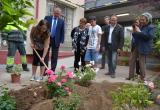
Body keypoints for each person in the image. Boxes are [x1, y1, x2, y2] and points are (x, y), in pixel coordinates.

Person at [126, 12, 155, 81]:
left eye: (143, 20)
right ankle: (131, 76)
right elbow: (137, 36)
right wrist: (134, 32)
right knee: (131, 60)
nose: (141, 21)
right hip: (137, 46)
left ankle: (142, 78)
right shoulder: (141, 26)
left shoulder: (151, 27)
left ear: (148, 20)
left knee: (141, 63)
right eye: (141, 19)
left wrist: (140, 32)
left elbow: (148, 37)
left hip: (144, 47)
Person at [44, 7, 65, 71]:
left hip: (56, 40)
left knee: (54, 56)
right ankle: (45, 70)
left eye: (58, 14)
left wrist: (61, 41)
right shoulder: (47, 18)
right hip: (47, 39)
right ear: (53, 12)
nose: (57, 15)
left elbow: (62, 31)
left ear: (60, 14)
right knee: (46, 54)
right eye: (56, 13)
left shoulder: (61, 21)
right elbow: (43, 27)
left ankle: (52, 70)